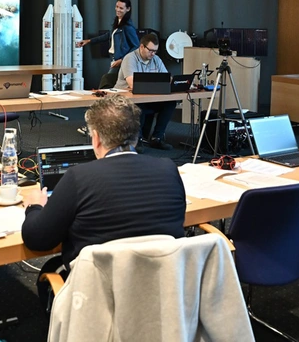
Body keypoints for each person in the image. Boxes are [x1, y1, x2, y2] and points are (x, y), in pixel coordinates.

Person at [21, 95, 186, 307]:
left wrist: (34, 206)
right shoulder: (168, 169)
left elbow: (37, 239)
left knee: (51, 269)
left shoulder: (78, 177)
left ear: (96, 138)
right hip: (162, 291)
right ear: (136, 136)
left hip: (97, 298)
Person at [115, 33, 176, 150]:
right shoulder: (130, 58)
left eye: (155, 51)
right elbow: (133, 84)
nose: (153, 54)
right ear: (142, 47)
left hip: (148, 97)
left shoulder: (156, 59)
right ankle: (137, 140)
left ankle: (157, 138)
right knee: (139, 104)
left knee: (170, 103)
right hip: (127, 98)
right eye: (150, 50)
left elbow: (167, 79)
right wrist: (157, 85)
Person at [76, 0, 139, 82]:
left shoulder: (128, 27)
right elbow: (108, 35)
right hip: (114, 59)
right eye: (117, 7)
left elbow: (136, 46)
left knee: (107, 80)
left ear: (128, 9)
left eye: (121, 8)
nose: (118, 10)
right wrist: (89, 41)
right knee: (112, 81)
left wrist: (122, 60)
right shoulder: (118, 22)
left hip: (120, 61)